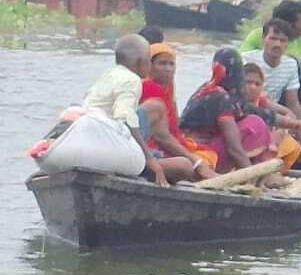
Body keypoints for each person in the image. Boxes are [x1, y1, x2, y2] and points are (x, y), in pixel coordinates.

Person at [82, 34, 187, 187]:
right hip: (112, 145)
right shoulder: (132, 80)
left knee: (161, 153)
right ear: (140, 63)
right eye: (148, 62)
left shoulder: (109, 74)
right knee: (183, 166)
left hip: (99, 138)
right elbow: (126, 118)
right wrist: (150, 159)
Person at [179, 48, 281, 174]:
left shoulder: (206, 88)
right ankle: (258, 174)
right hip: (202, 156)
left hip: (191, 152)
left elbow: (258, 112)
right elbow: (234, 148)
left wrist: (299, 125)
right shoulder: (222, 97)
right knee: (255, 124)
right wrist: (250, 174)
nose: (251, 87)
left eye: (257, 84)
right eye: (248, 81)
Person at [240, 1, 301, 129]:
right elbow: (240, 68)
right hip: (253, 96)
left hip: (284, 98)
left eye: (283, 41)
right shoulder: (258, 36)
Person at [139, 43, 218, 181]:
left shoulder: (168, 90)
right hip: (149, 148)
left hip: (163, 144)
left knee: (208, 155)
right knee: (188, 165)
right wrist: (196, 163)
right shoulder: (149, 88)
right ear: (149, 66)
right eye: (162, 63)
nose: (168, 69)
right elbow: (161, 136)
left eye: (171, 64)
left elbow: (172, 128)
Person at [242, 19, 301, 117]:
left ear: (287, 44)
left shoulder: (290, 65)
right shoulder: (245, 60)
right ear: (263, 39)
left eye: (282, 40)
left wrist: (300, 127)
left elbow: (293, 103)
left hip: (271, 113)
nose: (277, 44)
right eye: (273, 39)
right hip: (246, 110)